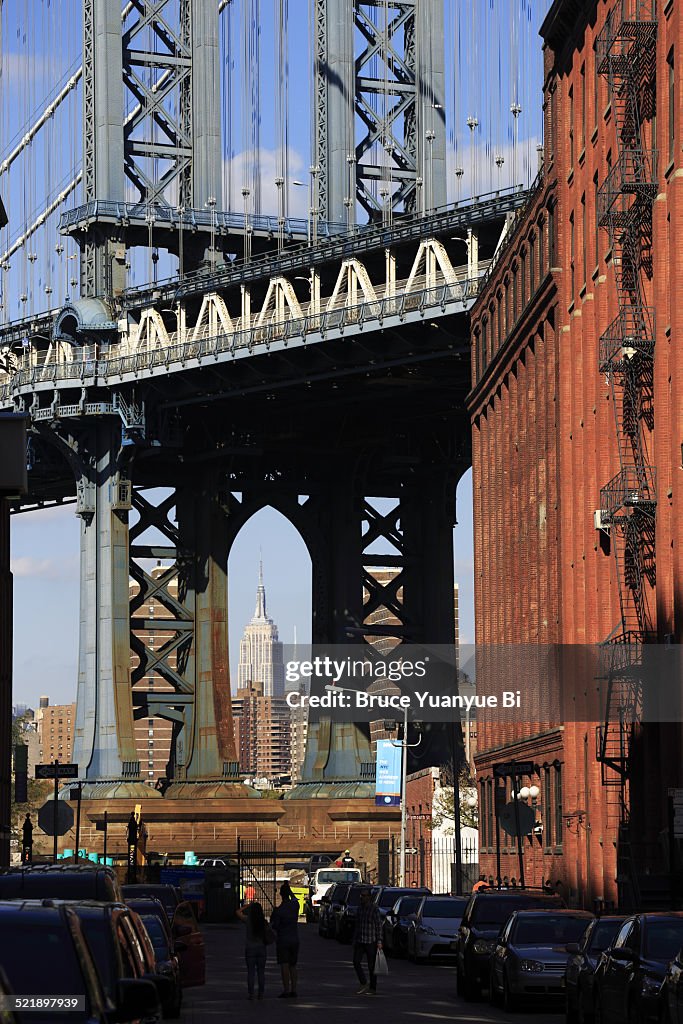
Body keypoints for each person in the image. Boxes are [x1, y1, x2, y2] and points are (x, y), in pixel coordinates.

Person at [270, 882, 300, 998]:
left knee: (284, 965)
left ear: (281, 895)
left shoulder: (279, 910)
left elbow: (275, 926)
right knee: (293, 965)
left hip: (283, 939)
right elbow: (295, 899)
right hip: (295, 938)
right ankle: (294, 989)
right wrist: (289, 890)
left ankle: (286, 990)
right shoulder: (295, 906)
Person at [236, 901, 270, 1000]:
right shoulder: (263, 922)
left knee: (251, 972)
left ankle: (251, 993)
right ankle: (261, 993)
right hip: (261, 948)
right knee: (261, 972)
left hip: (250, 948)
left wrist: (246, 906)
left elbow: (237, 912)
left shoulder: (248, 920)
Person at [352, 888, 382, 996]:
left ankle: (373, 987)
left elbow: (378, 925)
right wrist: (354, 939)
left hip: (371, 941)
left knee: (371, 966)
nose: (362, 898)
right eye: (361, 896)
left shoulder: (374, 909)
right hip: (360, 940)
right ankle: (363, 982)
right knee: (356, 962)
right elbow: (357, 924)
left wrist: (379, 940)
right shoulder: (360, 908)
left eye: (364, 896)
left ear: (369, 897)